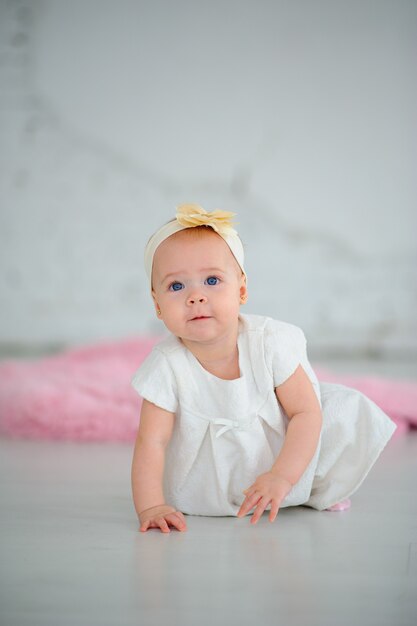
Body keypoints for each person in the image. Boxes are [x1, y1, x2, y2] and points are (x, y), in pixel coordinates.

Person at [130, 204, 396, 533]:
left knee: (339, 410)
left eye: (212, 280)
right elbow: (151, 442)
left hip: (285, 454)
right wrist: (152, 505)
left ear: (241, 289)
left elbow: (305, 413)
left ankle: (310, 487)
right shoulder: (166, 365)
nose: (196, 297)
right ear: (157, 305)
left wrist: (282, 476)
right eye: (176, 286)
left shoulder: (269, 342)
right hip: (208, 481)